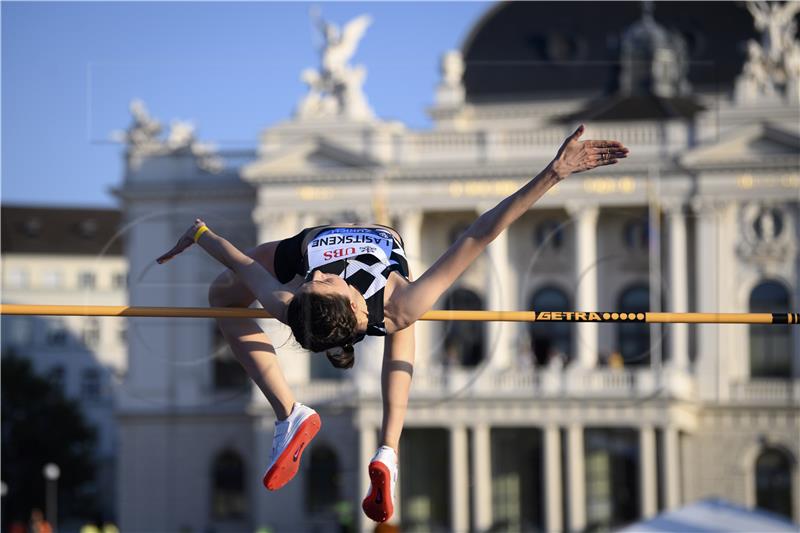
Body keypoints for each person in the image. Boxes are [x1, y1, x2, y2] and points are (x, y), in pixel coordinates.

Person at [156, 124, 628, 523]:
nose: (319, 275)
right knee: (404, 324)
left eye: (312, 282)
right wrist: (553, 173)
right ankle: (387, 449)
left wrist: (198, 233)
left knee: (222, 297)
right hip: (373, 269)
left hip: (304, 243)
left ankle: (298, 415)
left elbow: (238, 261)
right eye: (323, 282)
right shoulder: (393, 301)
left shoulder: (289, 303)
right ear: (347, 303)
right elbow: (481, 232)